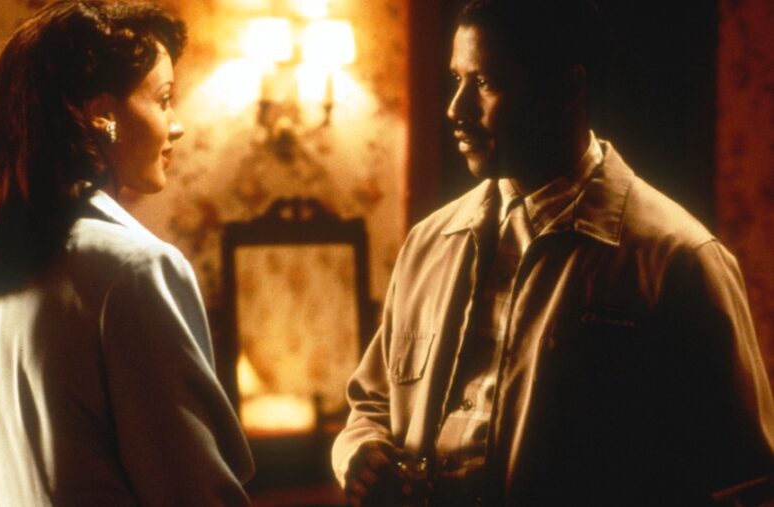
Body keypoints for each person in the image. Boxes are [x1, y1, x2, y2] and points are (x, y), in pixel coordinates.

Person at [332, 0, 774, 505]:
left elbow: (745, 482)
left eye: (484, 82)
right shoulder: (429, 243)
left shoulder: (676, 259)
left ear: (567, 89)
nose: (456, 108)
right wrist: (361, 453)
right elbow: (371, 405)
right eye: (457, 79)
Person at [0, 1, 253, 505]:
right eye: (164, 100)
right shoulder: (133, 270)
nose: (176, 126)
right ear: (102, 115)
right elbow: (192, 492)